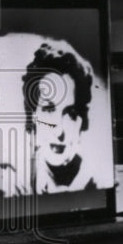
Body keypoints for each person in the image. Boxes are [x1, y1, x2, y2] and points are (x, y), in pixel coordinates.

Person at [22, 41, 98, 193]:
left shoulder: (98, 182)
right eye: (48, 109)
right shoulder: (15, 186)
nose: (58, 132)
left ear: (82, 121)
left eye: (70, 113)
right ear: (33, 117)